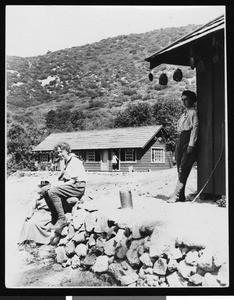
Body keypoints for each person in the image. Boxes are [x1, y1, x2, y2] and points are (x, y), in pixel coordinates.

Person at [42, 142, 86, 243]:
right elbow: (65, 179)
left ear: (67, 150)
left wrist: (57, 186)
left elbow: (73, 181)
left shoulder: (74, 161)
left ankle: (62, 218)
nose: (60, 154)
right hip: (71, 185)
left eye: (61, 151)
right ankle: (55, 216)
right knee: (45, 190)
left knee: (53, 190)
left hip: (78, 186)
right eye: (58, 152)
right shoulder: (66, 162)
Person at [168, 90, 198, 203]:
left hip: (189, 139)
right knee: (179, 167)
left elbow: (195, 128)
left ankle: (175, 194)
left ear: (192, 100)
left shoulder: (193, 113)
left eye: (186, 99)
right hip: (181, 139)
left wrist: (191, 144)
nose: (184, 102)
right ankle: (181, 195)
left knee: (184, 168)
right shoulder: (184, 114)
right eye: (182, 100)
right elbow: (179, 128)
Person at [18, 180, 52, 246]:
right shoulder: (38, 196)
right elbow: (32, 207)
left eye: (44, 186)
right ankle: (26, 241)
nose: (42, 188)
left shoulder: (52, 195)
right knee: (28, 223)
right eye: (41, 186)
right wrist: (29, 216)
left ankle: (38, 241)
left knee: (34, 223)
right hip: (38, 213)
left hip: (48, 214)